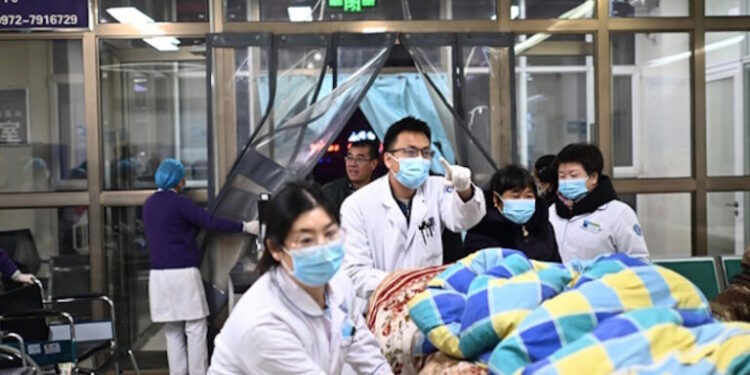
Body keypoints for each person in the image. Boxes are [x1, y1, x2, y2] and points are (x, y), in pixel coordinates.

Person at [208, 182, 392, 375]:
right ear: (276, 249)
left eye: (330, 234)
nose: (323, 247)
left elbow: (371, 359)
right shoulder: (263, 322)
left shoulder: (340, 285)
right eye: (306, 240)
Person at [341, 117, 486, 301]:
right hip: (383, 303)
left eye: (425, 153)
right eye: (410, 152)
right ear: (388, 159)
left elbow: (461, 221)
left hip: (430, 299)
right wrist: (406, 283)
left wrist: (464, 189)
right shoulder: (357, 205)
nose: (420, 160)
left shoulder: (438, 187)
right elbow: (355, 272)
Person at [143, 159, 256, 375]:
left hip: (158, 276)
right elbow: (210, 222)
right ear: (178, 180)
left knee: (173, 330)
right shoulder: (180, 203)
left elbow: (171, 233)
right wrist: (245, 226)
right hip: (183, 273)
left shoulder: (149, 205)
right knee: (195, 328)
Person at [549, 143, 649, 263]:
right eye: (562, 176)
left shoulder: (618, 213)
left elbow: (638, 261)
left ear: (593, 177)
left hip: (603, 281)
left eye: (573, 175)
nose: (566, 181)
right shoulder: (552, 212)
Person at [463, 165, 561, 262]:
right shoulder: (482, 231)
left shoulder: (543, 227)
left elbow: (557, 266)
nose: (523, 201)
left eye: (528, 196)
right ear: (496, 199)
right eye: (516, 196)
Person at [323, 140, 379, 212]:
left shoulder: (383, 193)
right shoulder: (329, 192)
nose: (352, 164)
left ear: (373, 164)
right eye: (349, 158)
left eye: (359, 159)